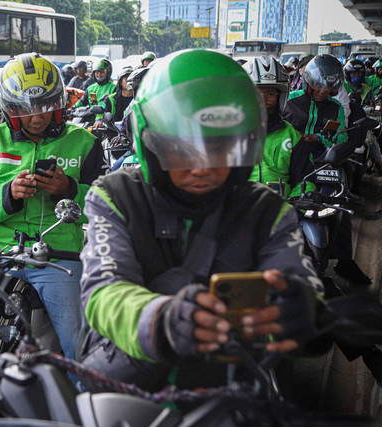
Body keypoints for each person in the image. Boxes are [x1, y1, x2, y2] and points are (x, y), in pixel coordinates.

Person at [78, 49, 323, 392]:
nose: (203, 167)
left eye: (220, 148)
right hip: (126, 385)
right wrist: (161, 320)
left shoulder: (267, 211)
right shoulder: (114, 196)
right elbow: (104, 292)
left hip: (229, 388)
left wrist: (302, 313)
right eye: (182, 148)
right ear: (149, 144)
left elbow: (296, 282)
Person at [0, 53, 108, 362]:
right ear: (9, 109)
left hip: (59, 258)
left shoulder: (85, 142)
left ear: (59, 103)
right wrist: (9, 195)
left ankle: (84, 405)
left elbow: (106, 201)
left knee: (79, 348)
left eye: (44, 108)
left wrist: (68, 189)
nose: (36, 117)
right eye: (25, 110)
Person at [284, 54, 371, 287]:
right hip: (289, 163)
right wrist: (296, 138)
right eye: (319, 87)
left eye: (328, 89)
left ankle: (343, 259)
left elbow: (341, 135)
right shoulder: (289, 101)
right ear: (309, 83)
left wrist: (321, 138)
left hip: (323, 163)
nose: (323, 93)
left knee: (338, 207)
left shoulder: (335, 108)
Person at [244, 56, 315, 198]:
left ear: (280, 97)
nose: (263, 101)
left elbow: (306, 181)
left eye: (270, 94)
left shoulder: (291, 136)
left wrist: (293, 211)